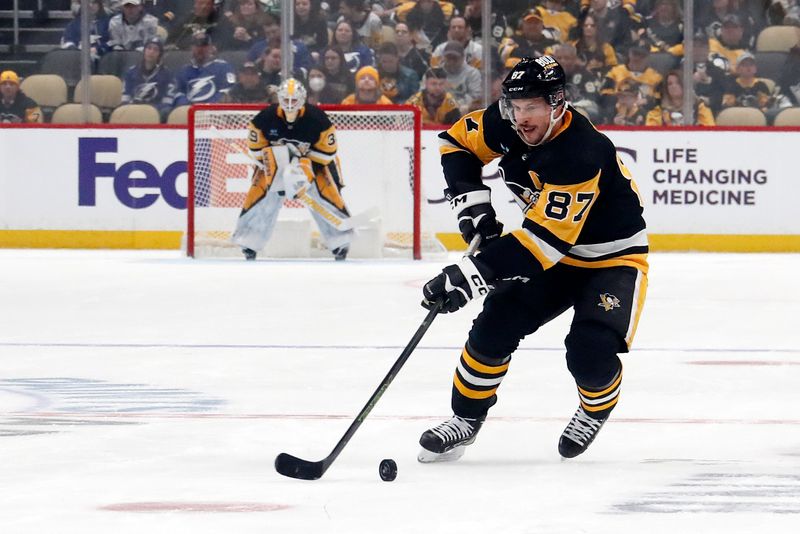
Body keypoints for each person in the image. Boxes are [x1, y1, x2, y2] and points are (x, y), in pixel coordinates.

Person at [417, 55, 648, 463]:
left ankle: (597, 407)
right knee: (494, 325)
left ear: (557, 103)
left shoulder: (581, 152)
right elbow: (455, 143)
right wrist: (473, 206)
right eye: (516, 107)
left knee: (588, 350)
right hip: (553, 252)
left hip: (610, 259)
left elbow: (545, 243)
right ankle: (465, 419)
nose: (522, 118)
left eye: (532, 107)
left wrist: (473, 273)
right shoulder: (507, 122)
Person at [232, 78, 353, 261]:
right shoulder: (265, 118)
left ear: (303, 99)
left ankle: (340, 242)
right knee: (262, 191)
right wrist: (280, 163)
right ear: (279, 98)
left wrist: (301, 164)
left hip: (313, 163)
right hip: (276, 163)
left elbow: (328, 154)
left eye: (294, 100)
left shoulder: (318, 119)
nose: (289, 105)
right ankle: (249, 241)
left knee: (324, 193)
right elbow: (257, 151)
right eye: (286, 100)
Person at [121, 36, 177, 120]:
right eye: (149, 48)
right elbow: (125, 99)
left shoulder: (167, 74)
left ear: (160, 54)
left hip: (155, 113)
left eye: (155, 49)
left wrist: (150, 110)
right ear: (144, 51)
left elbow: (167, 102)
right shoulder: (131, 72)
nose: (151, 52)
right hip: (134, 111)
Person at [173, 32, 236, 106]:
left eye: (204, 45)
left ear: (211, 47)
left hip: (214, 112)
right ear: (191, 48)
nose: (200, 49)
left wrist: (208, 106)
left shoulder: (224, 67)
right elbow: (177, 92)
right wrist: (186, 106)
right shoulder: (184, 70)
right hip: (189, 112)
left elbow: (228, 89)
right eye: (197, 45)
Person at [646, 70, 715, 126]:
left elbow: (710, 131)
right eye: (670, 84)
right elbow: (651, 134)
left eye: (678, 83)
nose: (674, 86)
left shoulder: (700, 108)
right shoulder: (658, 111)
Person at [440, 40, 482, 114]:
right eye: (449, 58)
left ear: (463, 58)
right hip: (439, 108)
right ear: (443, 57)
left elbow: (475, 96)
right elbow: (423, 92)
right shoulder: (435, 72)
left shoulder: (472, 73)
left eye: (455, 58)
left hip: (462, 109)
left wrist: (453, 105)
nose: (452, 61)